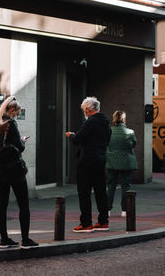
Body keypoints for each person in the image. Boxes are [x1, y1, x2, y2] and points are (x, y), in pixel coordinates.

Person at [0, 96, 38, 249]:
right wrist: (22, 141)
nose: (16, 115)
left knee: (2, 205)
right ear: (10, 110)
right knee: (23, 204)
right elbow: (19, 147)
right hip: (15, 169)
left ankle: (4, 240)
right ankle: (25, 240)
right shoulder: (11, 124)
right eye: (16, 112)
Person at [65, 96, 111, 233]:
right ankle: (103, 222)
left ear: (87, 109)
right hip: (100, 159)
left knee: (84, 192)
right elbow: (107, 140)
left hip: (87, 160)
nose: (84, 112)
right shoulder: (105, 122)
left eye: (84, 110)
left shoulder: (91, 122)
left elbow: (79, 138)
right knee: (100, 191)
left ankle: (86, 223)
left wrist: (71, 135)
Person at [106, 111, 138, 218]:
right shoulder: (130, 132)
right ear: (124, 119)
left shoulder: (109, 131)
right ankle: (125, 210)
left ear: (114, 119)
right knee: (126, 186)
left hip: (111, 162)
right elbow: (133, 144)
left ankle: (107, 210)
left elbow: (105, 143)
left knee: (111, 185)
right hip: (126, 162)